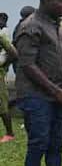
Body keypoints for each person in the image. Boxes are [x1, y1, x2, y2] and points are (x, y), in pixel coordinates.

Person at [14, 0, 62, 166]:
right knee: (39, 143)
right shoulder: (31, 26)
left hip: (56, 95)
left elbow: (58, 63)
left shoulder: (55, 25)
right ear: (47, 1)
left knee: (56, 143)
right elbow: (27, 65)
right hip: (35, 96)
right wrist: (56, 91)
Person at [0, 12, 18, 143]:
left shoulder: (2, 36)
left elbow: (13, 53)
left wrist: (5, 65)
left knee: (2, 105)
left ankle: (10, 133)